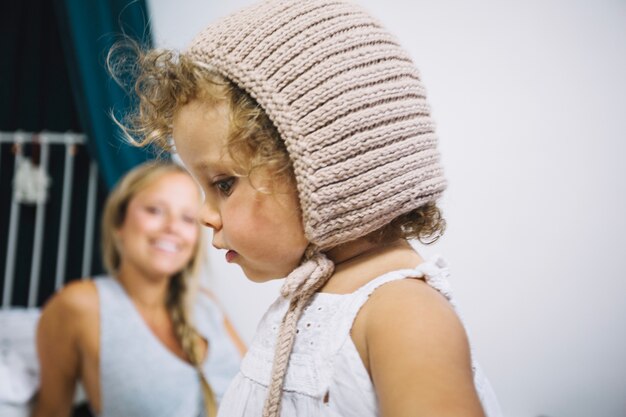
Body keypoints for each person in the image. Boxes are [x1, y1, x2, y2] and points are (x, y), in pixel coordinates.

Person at [117, 1, 503, 416]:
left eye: (223, 184)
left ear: (330, 171)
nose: (204, 215)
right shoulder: (310, 300)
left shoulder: (404, 314)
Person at [32, 161, 245, 417]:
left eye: (188, 218)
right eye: (155, 210)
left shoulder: (207, 307)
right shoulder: (80, 305)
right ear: (118, 222)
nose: (172, 227)